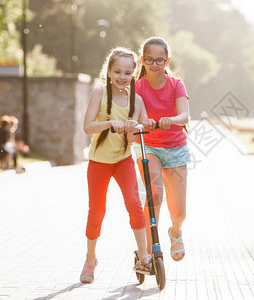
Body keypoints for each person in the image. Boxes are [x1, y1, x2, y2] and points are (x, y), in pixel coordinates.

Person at [80, 47, 150, 284]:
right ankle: (90, 260)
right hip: (99, 162)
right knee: (97, 210)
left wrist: (133, 128)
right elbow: (88, 126)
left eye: (127, 73)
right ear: (108, 71)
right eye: (117, 71)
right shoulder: (99, 93)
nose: (122, 76)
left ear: (134, 74)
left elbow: (135, 138)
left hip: (123, 161)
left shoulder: (137, 100)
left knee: (134, 203)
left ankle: (143, 256)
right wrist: (110, 123)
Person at [135, 37, 190, 262]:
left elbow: (185, 115)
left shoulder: (176, 85)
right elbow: (134, 114)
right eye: (150, 59)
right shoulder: (136, 86)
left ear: (167, 61)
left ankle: (175, 232)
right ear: (143, 60)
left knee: (178, 211)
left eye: (160, 60)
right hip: (148, 146)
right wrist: (144, 120)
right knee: (154, 195)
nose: (155, 64)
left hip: (176, 148)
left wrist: (171, 119)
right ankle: (149, 251)